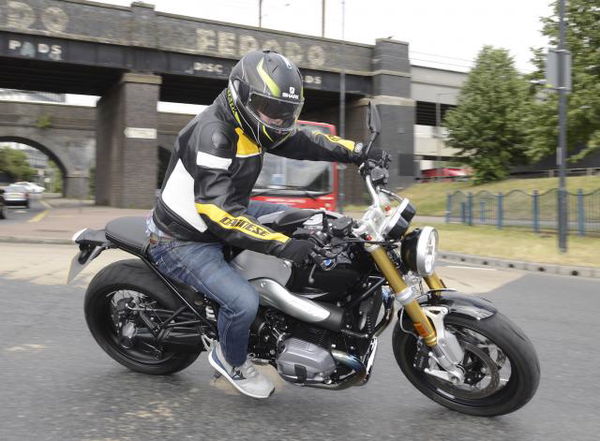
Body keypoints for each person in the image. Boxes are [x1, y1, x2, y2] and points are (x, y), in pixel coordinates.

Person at [147, 49, 383, 399]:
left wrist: (358, 151)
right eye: (271, 111)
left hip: (230, 208)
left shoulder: (257, 120)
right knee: (242, 302)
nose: (278, 120)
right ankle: (231, 360)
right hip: (184, 237)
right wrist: (283, 245)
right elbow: (218, 215)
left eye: (286, 112)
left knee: (315, 219)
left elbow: (304, 139)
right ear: (241, 94)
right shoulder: (214, 135)